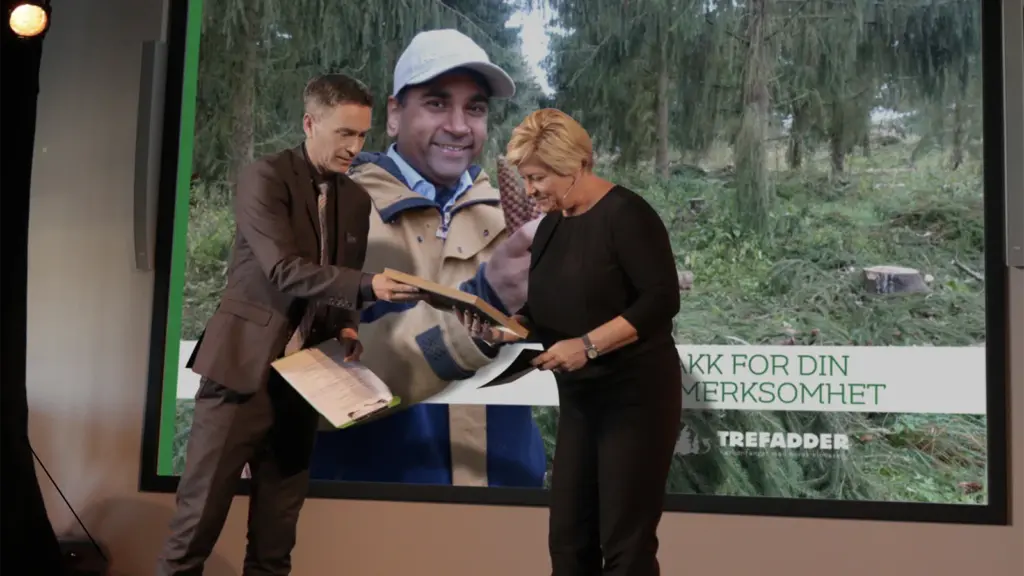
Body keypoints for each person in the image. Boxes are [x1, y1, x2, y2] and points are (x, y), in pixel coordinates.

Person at [156, 74, 420, 576]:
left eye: (362, 135)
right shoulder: (265, 177)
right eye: (344, 133)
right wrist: (371, 286)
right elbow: (284, 270)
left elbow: (339, 279)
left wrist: (346, 327)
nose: (355, 147)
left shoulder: (356, 200)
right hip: (241, 375)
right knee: (194, 531)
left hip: (304, 382)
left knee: (275, 546)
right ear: (309, 123)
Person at [308, 29, 546, 488]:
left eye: (475, 108)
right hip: (369, 506)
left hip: (506, 498)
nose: (459, 125)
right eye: (437, 103)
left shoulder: (516, 221)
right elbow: (311, 384)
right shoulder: (327, 216)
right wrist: (485, 302)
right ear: (395, 115)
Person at [464, 108, 682, 576]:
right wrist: (510, 327)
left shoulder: (627, 215)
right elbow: (548, 309)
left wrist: (587, 345)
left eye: (537, 178)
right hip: (582, 403)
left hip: (636, 401)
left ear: (575, 165)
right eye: (525, 179)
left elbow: (660, 301)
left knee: (625, 548)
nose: (529, 191)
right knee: (567, 543)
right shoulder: (552, 226)